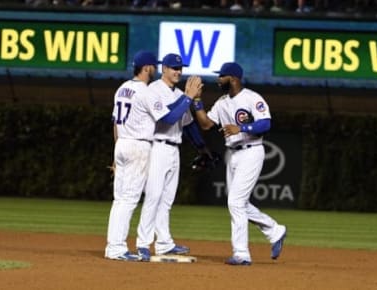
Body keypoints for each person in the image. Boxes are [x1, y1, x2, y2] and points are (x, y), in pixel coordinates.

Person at [104, 50, 203, 261]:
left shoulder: (122, 88)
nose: (155, 70)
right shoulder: (145, 91)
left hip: (122, 142)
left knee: (119, 199)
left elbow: (115, 122)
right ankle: (116, 248)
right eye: (154, 66)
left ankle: (115, 246)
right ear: (148, 68)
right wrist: (188, 97)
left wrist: (116, 151)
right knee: (129, 200)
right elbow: (168, 118)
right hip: (138, 146)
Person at [191, 62, 287, 266]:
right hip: (233, 153)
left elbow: (266, 123)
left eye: (222, 76)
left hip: (251, 151)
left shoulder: (252, 98)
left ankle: (242, 253)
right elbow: (207, 124)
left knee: (235, 202)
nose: (218, 80)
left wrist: (241, 128)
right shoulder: (222, 102)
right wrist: (197, 101)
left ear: (233, 78)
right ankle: (275, 230)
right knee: (239, 203)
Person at [135, 53, 209, 261]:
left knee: (166, 200)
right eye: (173, 68)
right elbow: (168, 118)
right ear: (163, 69)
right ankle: (142, 243)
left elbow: (187, 124)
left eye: (180, 68)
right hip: (157, 147)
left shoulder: (178, 94)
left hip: (174, 149)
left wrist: (202, 148)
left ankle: (164, 243)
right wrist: (188, 98)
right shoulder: (153, 90)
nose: (178, 71)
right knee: (153, 196)